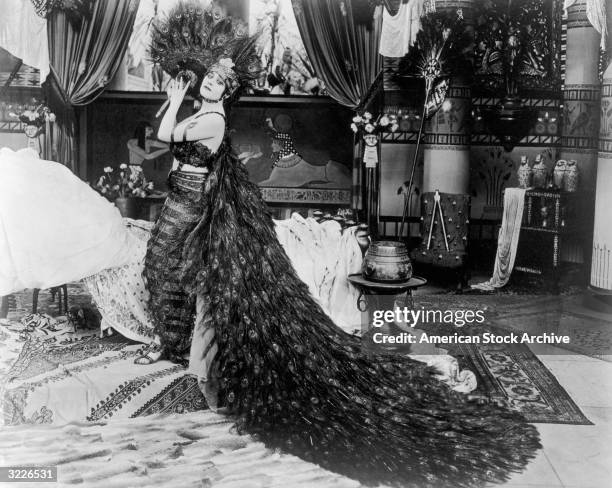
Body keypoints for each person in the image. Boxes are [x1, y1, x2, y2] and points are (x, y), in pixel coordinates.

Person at [135, 3, 541, 487]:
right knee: (176, 278)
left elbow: (172, 135)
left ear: (229, 90)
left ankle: (209, 366)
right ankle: (194, 356)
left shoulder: (214, 120)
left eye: (221, 81)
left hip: (194, 207)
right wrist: (179, 97)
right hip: (182, 200)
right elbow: (165, 137)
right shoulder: (200, 109)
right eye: (210, 78)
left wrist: (179, 103)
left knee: (202, 285)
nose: (212, 85)